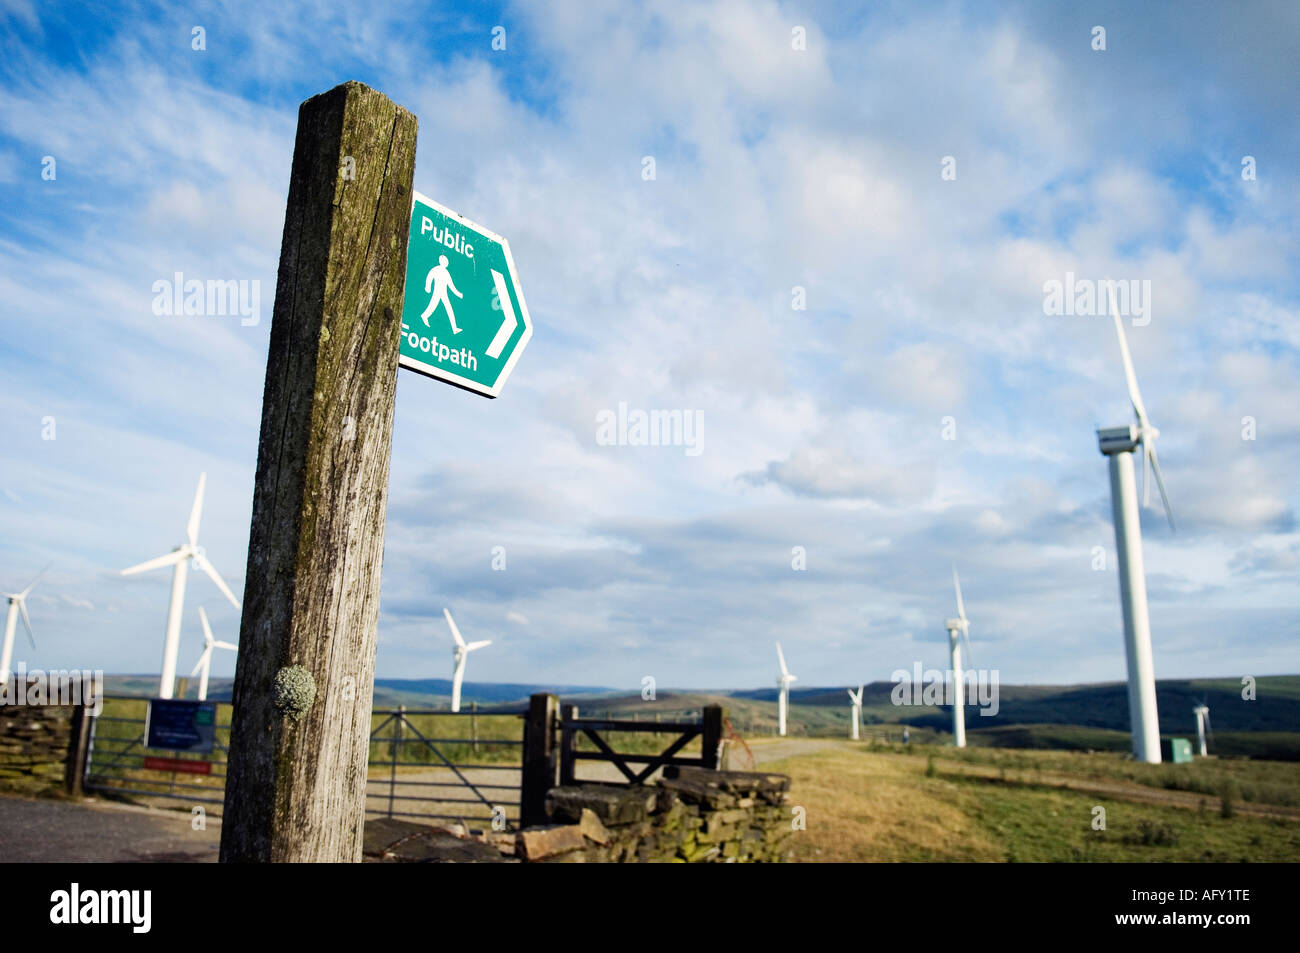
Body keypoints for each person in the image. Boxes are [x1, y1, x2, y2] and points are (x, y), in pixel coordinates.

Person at [420, 254, 464, 334]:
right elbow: (429, 277)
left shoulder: (446, 273)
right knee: (433, 306)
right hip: (437, 292)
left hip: (444, 294)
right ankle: (424, 316)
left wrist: (459, 294)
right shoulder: (436, 269)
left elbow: (451, 285)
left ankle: (454, 328)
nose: (446, 263)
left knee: (448, 308)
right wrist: (427, 287)